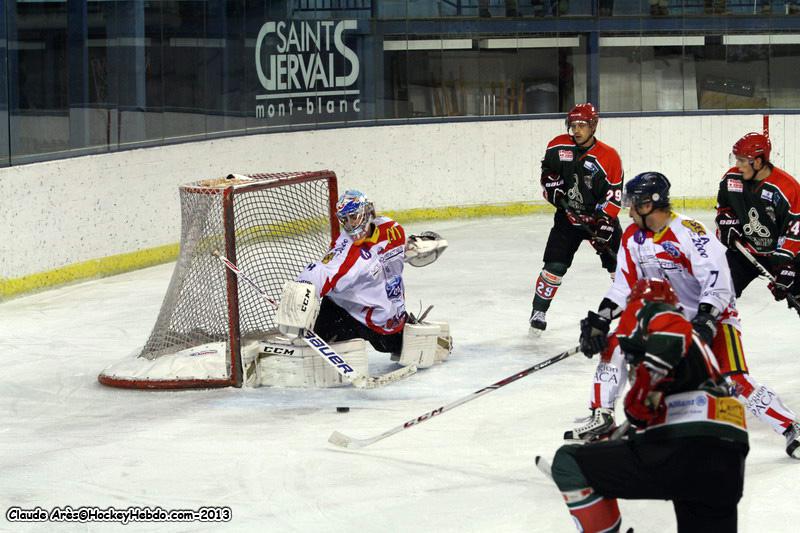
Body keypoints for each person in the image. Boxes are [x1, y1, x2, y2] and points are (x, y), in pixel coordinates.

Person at [575, 171, 800, 459]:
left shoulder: (690, 233)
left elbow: (718, 282)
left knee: (734, 380)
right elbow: (624, 285)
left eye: (634, 206)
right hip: (669, 321)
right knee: (615, 343)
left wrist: (706, 318)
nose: (628, 212)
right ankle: (602, 415)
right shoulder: (632, 237)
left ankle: (791, 427)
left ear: (648, 205)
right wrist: (602, 318)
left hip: (715, 318)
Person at [547, 278, 748, 533]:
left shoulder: (655, 311)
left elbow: (659, 362)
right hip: (728, 460)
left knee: (570, 462)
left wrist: (639, 400)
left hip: (687, 448)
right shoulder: (697, 346)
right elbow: (679, 403)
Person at [275, 190, 451, 367]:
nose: (350, 224)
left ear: (368, 212)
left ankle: (416, 335)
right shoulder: (345, 250)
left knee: (397, 345)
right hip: (346, 314)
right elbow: (322, 271)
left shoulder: (391, 229)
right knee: (309, 356)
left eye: (353, 217)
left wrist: (417, 246)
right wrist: (300, 291)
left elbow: (398, 251)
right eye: (345, 220)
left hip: (387, 319)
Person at [529, 102, 624, 335]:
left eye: (582, 125)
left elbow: (613, 196)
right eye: (573, 125)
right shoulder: (558, 145)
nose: (577, 130)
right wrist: (552, 186)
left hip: (598, 218)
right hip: (568, 217)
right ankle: (538, 312)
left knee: (619, 267)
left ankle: (632, 309)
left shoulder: (609, 157)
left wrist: (604, 223)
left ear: (593, 126)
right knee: (555, 265)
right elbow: (547, 171)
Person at [715, 132, 800, 309]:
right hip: (745, 251)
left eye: (742, 161)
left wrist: (786, 265)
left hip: (782, 255)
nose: (737, 166)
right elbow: (724, 209)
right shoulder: (731, 179)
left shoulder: (787, 188)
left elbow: (795, 230)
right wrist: (726, 222)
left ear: (758, 162)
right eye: (736, 159)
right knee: (717, 293)